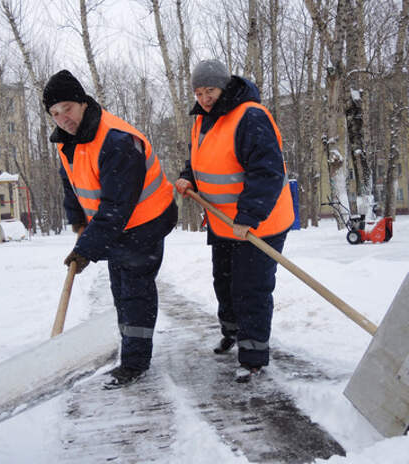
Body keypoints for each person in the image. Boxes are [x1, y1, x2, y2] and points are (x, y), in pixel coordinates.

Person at [43, 70, 177, 388]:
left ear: (82, 103)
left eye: (67, 109)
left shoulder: (116, 141)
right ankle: (131, 349)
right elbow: (71, 182)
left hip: (145, 223)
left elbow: (116, 207)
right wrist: (76, 219)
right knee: (121, 290)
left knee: (135, 293)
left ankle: (134, 362)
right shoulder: (69, 141)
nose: (63, 118)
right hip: (119, 226)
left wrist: (85, 249)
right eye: (55, 113)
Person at [175, 60, 294, 383]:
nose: (203, 98)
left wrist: (249, 216)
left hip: (259, 223)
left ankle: (253, 355)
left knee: (250, 288)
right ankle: (232, 332)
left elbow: (267, 171)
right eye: (198, 92)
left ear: (224, 87)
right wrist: (189, 178)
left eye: (209, 91)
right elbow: (200, 159)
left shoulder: (250, 116)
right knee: (224, 282)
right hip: (222, 222)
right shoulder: (203, 120)